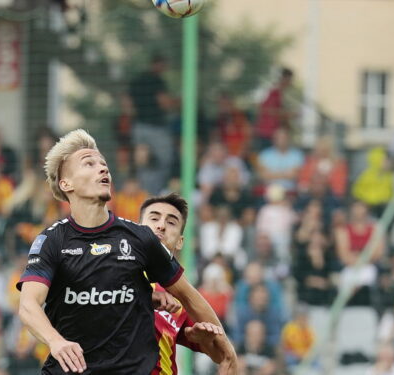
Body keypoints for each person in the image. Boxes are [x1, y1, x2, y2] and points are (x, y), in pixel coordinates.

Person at [17, 130, 236, 374]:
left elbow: (189, 295)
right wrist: (55, 340)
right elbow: (28, 305)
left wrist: (228, 351)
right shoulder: (51, 240)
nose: (103, 169)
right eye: (89, 163)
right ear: (66, 183)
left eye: (104, 164)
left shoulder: (140, 238)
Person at [138, 194, 234, 374]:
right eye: (154, 218)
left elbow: (218, 355)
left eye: (171, 222)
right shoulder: (113, 271)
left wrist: (203, 339)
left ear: (180, 241)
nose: (161, 225)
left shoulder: (181, 298)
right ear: (136, 229)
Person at [128, 55, 178, 194]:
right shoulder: (156, 80)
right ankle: (156, 193)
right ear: (159, 65)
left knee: (143, 163)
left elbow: (128, 104)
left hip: (139, 126)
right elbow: (164, 102)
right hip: (156, 128)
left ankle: (143, 193)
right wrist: (179, 102)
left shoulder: (137, 80)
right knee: (164, 160)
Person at [255, 67, 294, 150]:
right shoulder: (273, 92)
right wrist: (287, 114)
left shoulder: (279, 93)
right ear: (284, 79)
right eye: (289, 80)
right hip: (267, 132)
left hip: (273, 133)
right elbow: (265, 109)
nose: (290, 83)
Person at [256, 128, 304, 192]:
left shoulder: (297, 155)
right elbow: (263, 176)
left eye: (284, 138)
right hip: (269, 192)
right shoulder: (264, 155)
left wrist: (272, 175)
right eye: (279, 138)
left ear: (288, 139)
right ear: (274, 139)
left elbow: (295, 175)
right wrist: (286, 174)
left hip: (291, 191)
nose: (281, 140)